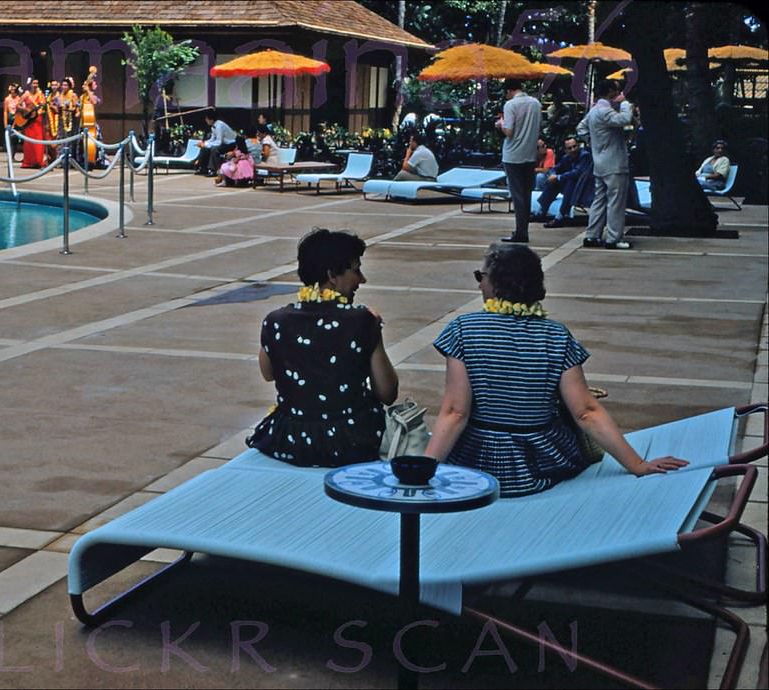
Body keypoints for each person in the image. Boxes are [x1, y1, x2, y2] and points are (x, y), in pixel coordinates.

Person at [422, 243, 688, 497]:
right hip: (539, 462)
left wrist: (423, 472)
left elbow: (456, 412)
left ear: (494, 284)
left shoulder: (463, 330)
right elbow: (586, 412)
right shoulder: (556, 336)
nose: (479, 283)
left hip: (478, 463)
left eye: (481, 276)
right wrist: (638, 464)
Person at [247, 228, 399, 467]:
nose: (362, 280)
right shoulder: (361, 321)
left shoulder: (276, 321)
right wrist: (374, 331)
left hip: (290, 439)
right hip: (351, 440)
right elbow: (387, 393)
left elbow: (268, 373)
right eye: (356, 270)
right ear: (332, 275)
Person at [577, 79, 634, 250]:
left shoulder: (594, 110)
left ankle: (592, 235)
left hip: (599, 162)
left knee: (599, 200)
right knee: (616, 201)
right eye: (617, 90)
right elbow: (625, 119)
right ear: (611, 92)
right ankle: (613, 238)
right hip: (614, 162)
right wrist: (624, 103)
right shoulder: (605, 111)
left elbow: (581, 128)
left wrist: (594, 143)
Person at [496, 78, 542, 244]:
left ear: (509, 91)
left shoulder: (510, 105)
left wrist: (500, 124)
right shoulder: (536, 103)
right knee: (526, 193)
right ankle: (524, 230)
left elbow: (509, 131)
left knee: (517, 195)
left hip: (513, 154)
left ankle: (521, 231)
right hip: (529, 154)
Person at [532, 135, 592, 227]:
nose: (573, 150)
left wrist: (558, 177)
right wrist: (553, 175)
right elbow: (555, 168)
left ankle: (560, 217)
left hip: (585, 187)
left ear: (578, 146)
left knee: (569, 182)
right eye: (569, 148)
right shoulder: (566, 157)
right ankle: (541, 212)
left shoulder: (585, 156)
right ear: (566, 150)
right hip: (572, 185)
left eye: (574, 146)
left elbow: (577, 173)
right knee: (554, 183)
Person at [195, 111, 237, 176]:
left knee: (214, 149)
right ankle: (203, 168)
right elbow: (212, 139)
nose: (206, 120)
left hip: (230, 144)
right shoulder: (213, 126)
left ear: (211, 120)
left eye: (207, 119)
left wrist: (206, 144)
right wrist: (204, 143)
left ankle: (213, 170)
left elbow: (218, 142)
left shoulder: (219, 126)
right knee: (204, 148)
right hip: (223, 143)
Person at [17, 78, 47, 169]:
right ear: (30, 84)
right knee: (28, 141)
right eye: (34, 83)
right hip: (29, 121)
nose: (35, 85)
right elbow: (18, 105)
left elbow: (44, 106)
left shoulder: (40, 94)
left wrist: (39, 111)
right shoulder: (26, 94)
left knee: (38, 140)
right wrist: (25, 109)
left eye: (36, 83)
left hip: (37, 119)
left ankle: (38, 161)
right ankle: (28, 162)